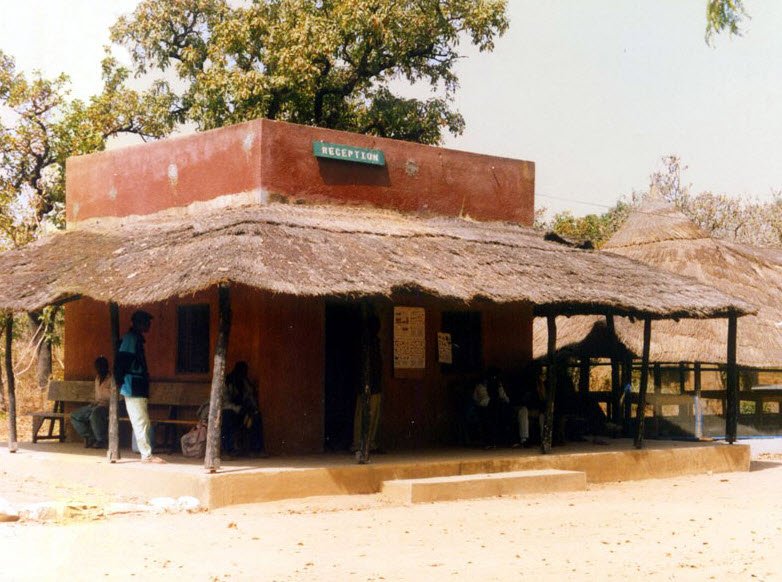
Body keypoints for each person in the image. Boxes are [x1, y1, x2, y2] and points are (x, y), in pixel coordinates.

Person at [114, 310, 165, 464]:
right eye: (146, 322)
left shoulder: (136, 339)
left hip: (138, 384)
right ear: (138, 323)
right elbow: (122, 362)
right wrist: (120, 381)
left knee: (143, 420)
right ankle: (146, 455)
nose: (149, 325)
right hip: (133, 385)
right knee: (140, 421)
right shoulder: (130, 339)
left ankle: (146, 452)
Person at [352, 313, 383, 455]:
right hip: (368, 384)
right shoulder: (367, 343)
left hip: (372, 384)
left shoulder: (372, 342)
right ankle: (361, 443)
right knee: (364, 414)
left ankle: (367, 443)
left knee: (368, 414)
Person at [221, 361, 267, 457]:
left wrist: (253, 409)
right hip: (227, 411)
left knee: (256, 417)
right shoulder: (227, 382)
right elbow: (224, 402)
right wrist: (238, 409)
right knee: (227, 416)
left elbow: (250, 397)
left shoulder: (244, 382)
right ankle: (228, 450)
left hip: (242, 414)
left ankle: (256, 449)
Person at [70, 356, 113, 449]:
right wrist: (95, 402)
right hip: (96, 404)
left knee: (95, 414)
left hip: (107, 406)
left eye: (101, 367)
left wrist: (103, 400)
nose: (99, 369)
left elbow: (117, 397)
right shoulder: (97, 379)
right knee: (75, 415)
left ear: (106, 367)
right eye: (97, 367)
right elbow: (98, 395)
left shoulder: (112, 379)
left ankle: (101, 440)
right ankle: (91, 437)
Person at [473, 367, 512, 449]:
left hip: (494, 407)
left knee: (503, 412)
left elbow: (503, 396)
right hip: (482, 408)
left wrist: (506, 401)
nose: (494, 378)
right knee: (489, 417)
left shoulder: (498, 384)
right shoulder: (481, 385)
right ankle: (489, 441)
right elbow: (483, 400)